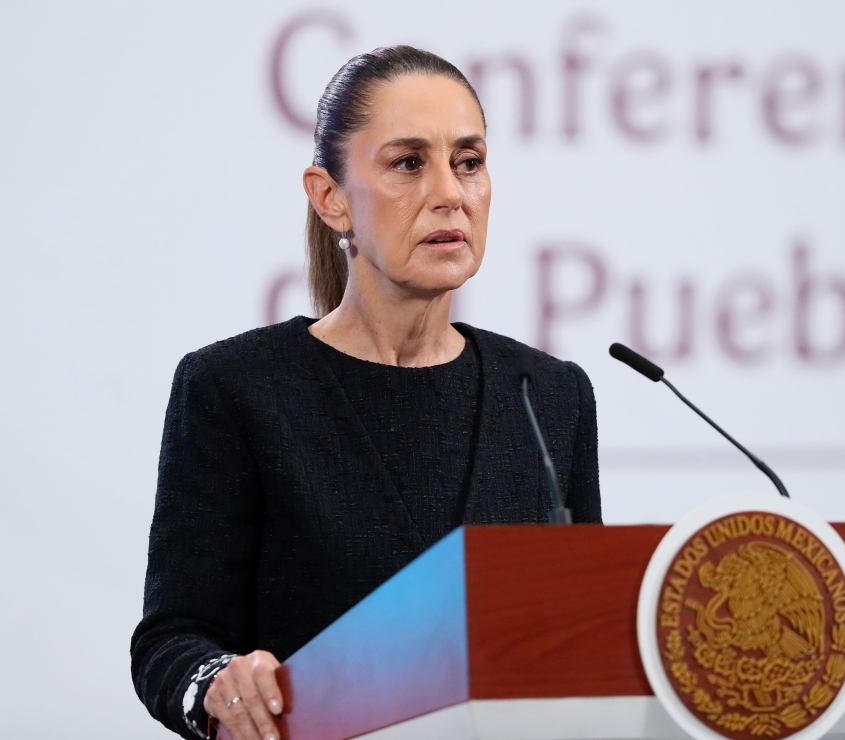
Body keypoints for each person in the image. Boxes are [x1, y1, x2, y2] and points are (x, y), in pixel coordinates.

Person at [131, 46, 602, 740]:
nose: (450, 193)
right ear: (330, 198)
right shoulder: (235, 389)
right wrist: (219, 682)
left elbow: (588, 638)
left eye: (468, 162)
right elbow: (172, 642)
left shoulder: (549, 395)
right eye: (408, 163)